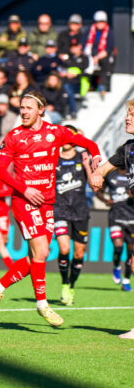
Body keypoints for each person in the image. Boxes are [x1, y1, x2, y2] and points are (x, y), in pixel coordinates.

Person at [0, 91, 101, 327]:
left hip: (48, 203)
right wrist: (25, 189)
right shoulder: (13, 137)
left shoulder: (56, 132)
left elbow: (88, 143)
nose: (24, 112)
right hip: (24, 202)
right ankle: (42, 305)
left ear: (41, 110)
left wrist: (97, 155)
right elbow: (0, 171)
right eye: (21, 108)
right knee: (42, 253)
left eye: (29, 107)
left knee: (35, 258)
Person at [89, 99, 134, 338]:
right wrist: (96, 175)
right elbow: (104, 169)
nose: (127, 118)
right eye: (127, 113)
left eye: (132, 114)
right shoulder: (127, 149)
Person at [53, 125, 93, 306]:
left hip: (80, 212)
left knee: (78, 253)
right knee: (64, 249)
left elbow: (94, 185)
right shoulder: (53, 159)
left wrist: (88, 166)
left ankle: (72, 285)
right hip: (59, 210)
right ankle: (64, 283)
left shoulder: (82, 158)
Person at [97, 168, 134, 291]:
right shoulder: (110, 175)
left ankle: (126, 281)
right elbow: (99, 191)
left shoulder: (132, 175)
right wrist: (105, 200)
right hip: (116, 217)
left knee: (130, 252)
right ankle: (116, 266)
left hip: (131, 219)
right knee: (118, 246)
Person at [85, 10, 114, 96]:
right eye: (98, 22)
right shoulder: (90, 31)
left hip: (102, 56)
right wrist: (90, 56)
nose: (100, 24)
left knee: (105, 62)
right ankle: (86, 86)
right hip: (90, 55)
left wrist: (97, 57)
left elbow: (109, 48)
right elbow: (84, 44)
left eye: (102, 22)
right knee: (85, 62)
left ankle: (102, 85)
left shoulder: (109, 32)